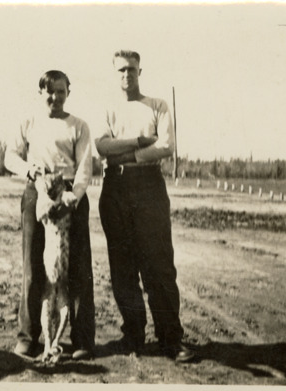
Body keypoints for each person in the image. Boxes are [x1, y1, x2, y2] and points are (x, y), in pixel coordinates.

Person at [94, 50, 195, 363]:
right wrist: (139, 142)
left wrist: (125, 154)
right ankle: (133, 336)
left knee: (159, 265)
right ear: (116, 73)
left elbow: (166, 146)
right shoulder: (107, 108)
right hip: (115, 188)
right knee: (123, 268)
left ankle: (170, 338)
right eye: (121, 70)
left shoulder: (158, 105)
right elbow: (101, 146)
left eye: (132, 69)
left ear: (140, 71)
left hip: (149, 186)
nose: (127, 74)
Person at [4, 70, 95, 361]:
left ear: (68, 92)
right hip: (37, 191)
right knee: (33, 264)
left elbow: (85, 167)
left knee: (78, 267)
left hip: (69, 194)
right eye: (49, 91)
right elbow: (10, 157)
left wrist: (73, 197)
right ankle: (28, 337)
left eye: (61, 91)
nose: (55, 97)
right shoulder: (28, 122)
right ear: (41, 92)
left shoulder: (79, 126)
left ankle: (82, 339)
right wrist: (30, 170)